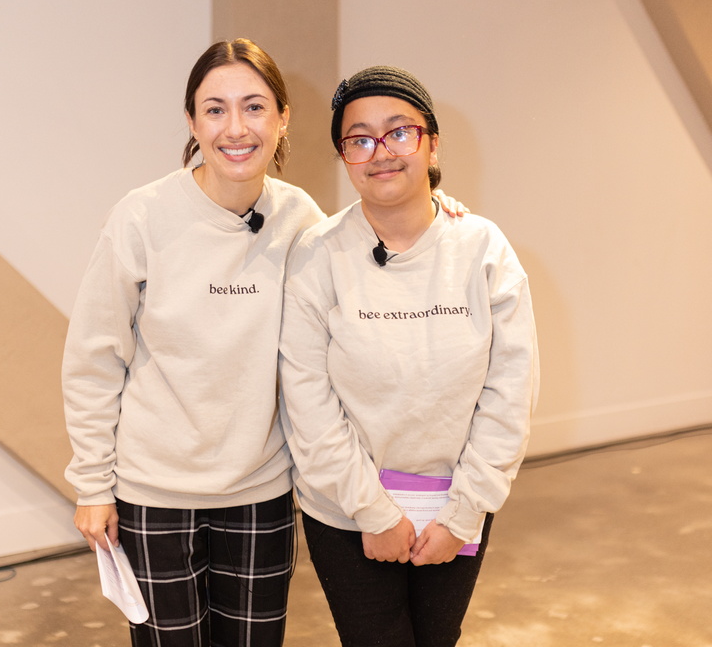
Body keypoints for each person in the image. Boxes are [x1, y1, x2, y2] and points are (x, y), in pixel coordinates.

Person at [62, 41, 467, 647]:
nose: (236, 128)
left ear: (282, 118)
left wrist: (435, 212)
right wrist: (93, 485)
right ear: (193, 122)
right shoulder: (141, 218)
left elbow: (370, 249)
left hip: (263, 493)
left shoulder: (298, 216)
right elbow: (94, 359)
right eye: (215, 109)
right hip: (154, 496)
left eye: (253, 107)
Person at [278, 66, 539, 647]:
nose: (381, 152)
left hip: (456, 503)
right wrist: (372, 513)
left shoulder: (482, 249)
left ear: (432, 142)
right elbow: (307, 403)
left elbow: (510, 391)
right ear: (345, 156)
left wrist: (464, 513)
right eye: (360, 139)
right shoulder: (318, 257)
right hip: (346, 511)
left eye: (400, 132)